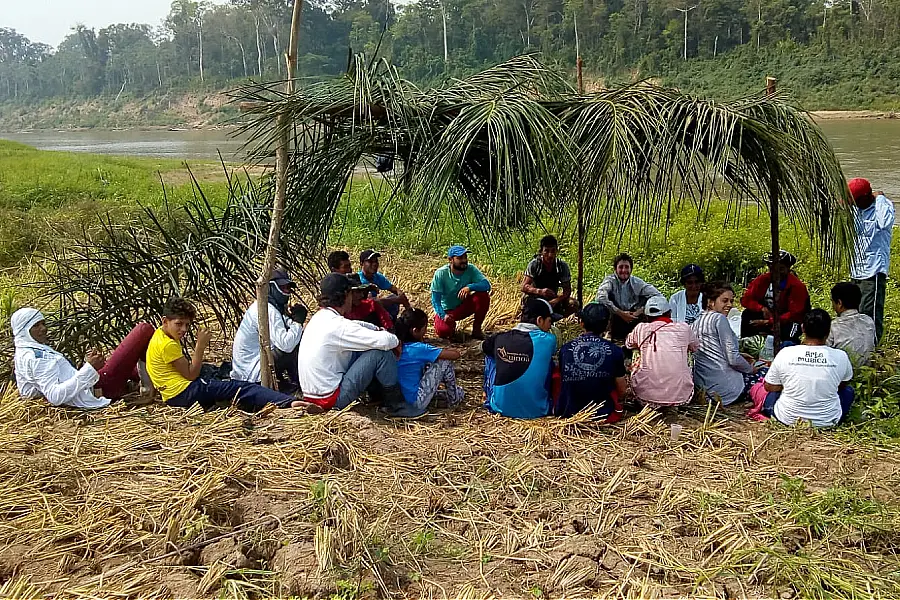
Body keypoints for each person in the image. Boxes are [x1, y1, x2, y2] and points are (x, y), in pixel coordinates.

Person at [147, 298, 305, 412]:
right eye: (178, 324)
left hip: (171, 394)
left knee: (218, 377)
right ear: (165, 321)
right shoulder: (168, 345)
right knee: (242, 388)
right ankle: (288, 402)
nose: (183, 330)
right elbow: (190, 375)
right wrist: (200, 346)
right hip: (184, 393)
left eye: (187, 325)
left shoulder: (159, 335)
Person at [297, 273, 403, 411]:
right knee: (380, 353)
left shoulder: (320, 317)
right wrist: (395, 340)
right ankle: (396, 405)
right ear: (346, 295)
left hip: (313, 395)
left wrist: (376, 328)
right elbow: (386, 341)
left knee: (364, 347)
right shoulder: (338, 326)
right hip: (330, 399)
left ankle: (378, 395)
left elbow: (354, 325)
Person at [11, 308, 154, 409]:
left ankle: (150, 378)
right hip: (101, 386)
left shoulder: (26, 351)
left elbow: (30, 390)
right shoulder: (34, 358)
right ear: (23, 331)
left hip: (92, 383)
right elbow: (55, 396)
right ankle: (147, 388)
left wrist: (85, 367)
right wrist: (89, 369)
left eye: (43, 323)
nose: (43, 329)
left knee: (133, 361)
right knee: (143, 330)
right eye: (36, 326)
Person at [762, 309, 854, 428]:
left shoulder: (786, 353)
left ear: (803, 328)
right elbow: (843, 385)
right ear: (828, 331)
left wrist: (790, 384)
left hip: (787, 419)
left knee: (772, 396)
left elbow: (769, 386)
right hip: (827, 421)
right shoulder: (840, 356)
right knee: (848, 392)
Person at [230, 269, 308, 392]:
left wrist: (293, 320)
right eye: (283, 287)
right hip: (252, 373)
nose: (287, 291)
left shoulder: (270, 306)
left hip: (249, 369)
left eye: (288, 288)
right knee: (294, 344)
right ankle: (300, 383)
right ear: (270, 288)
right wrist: (298, 322)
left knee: (298, 336)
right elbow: (286, 345)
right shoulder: (268, 310)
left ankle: (293, 382)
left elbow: (285, 325)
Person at [482, 298, 556, 419]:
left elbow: (484, 347)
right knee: (549, 362)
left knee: (490, 356)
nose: (550, 326)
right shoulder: (550, 339)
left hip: (501, 408)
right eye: (549, 321)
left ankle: (489, 394)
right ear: (539, 320)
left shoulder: (499, 338)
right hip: (538, 410)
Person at [388, 308, 465, 418]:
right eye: (424, 328)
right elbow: (455, 355)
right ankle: (454, 399)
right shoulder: (420, 349)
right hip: (416, 402)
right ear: (415, 330)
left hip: (400, 400)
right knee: (443, 362)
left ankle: (452, 394)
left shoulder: (397, 346)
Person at [626, 295, 700, 409]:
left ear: (646, 316)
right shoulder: (684, 328)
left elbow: (628, 344)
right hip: (682, 398)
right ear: (669, 313)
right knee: (688, 352)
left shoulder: (641, 328)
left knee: (637, 350)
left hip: (645, 398)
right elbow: (695, 347)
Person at [556, 303, 627, 421]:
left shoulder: (565, 349)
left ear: (581, 323)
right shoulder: (615, 351)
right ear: (607, 325)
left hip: (569, 411)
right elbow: (622, 390)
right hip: (602, 414)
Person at [691, 282, 755, 405]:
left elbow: (713, 348)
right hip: (725, 388)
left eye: (731, 301)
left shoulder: (696, 322)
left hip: (705, 388)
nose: (730, 305)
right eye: (725, 301)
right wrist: (751, 370)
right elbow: (733, 358)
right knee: (765, 374)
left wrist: (741, 354)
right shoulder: (719, 319)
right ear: (710, 302)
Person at [848, 178, 894, 343]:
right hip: (855, 270)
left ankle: (872, 351)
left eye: (856, 200)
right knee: (852, 314)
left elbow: (885, 223)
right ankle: (857, 348)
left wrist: (880, 197)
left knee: (869, 316)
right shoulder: (855, 209)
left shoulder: (882, 207)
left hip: (872, 271)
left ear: (866, 197)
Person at [740, 250, 809, 342]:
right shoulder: (763, 280)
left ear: (788, 268)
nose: (776, 272)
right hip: (767, 314)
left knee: (792, 332)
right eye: (772, 268)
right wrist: (761, 308)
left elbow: (795, 314)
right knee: (747, 314)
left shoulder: (796, 286)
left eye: (781, 269)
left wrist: (770, 322)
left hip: (787, 320)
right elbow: (746, 299)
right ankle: (746, 344)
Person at [594, 253, 663, 341]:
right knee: (602, 305)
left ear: (631, 269)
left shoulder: (637, 283)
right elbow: (600, 297)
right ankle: (608, 334)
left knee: (651, 305)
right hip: (615, 316)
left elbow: (658, 296)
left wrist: (640, 311)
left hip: (634, 316)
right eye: (621, 267)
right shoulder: (610, 281)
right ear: (615, 269)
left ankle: (644, 336)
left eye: (627, 267)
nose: (624, 270)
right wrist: (621, 313)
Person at [431, 245, 492, 339]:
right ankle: (450, 328)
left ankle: (476, 330)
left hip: (463, 306)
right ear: (450, 260)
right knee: (443, 332)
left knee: (483, 296)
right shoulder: (441, 274)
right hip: (447, 310)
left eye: (465, 257)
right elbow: (435, 300)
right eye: (459, 258)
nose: (464, 260)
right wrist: (444, 316)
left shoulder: (471, 269)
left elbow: (486, 285)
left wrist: (470, 287)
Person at [521, 235, 578, 319]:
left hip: (552, 298)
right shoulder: (535, 265)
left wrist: (556, 300)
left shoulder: (561, 266)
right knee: (526, 299)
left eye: (553, 251)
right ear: (541, 251)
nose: (550, 255)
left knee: (573, 303)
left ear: (556, 251)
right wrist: (540, 291)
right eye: (546, 251)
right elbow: (524, 286)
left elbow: (567, 290)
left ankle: (558, 319)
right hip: (536, 297)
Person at [827, 282, 876, 367]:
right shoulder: (868, 321)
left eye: (832, 302)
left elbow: (823, 353)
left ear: (839, 303)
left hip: (844, 375)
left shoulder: (833, 326)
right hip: (867, 373)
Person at [358, 249, 411, 320]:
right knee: (385, 302)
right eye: (370, 262)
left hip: (374, 308)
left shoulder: (377, 276)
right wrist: (395, 300)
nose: (374, 264)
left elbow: (394, 289)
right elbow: (372, 302)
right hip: (363, 312)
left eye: (376, 261)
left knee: (395, 296)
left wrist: (403, 300)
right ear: (361, 263)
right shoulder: (359, 280)